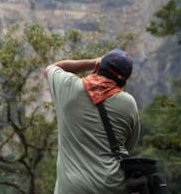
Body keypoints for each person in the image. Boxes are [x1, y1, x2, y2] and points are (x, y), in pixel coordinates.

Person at [44, 48, 140, 194]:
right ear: (123, 81)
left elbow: (51, 68)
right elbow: (128, 145)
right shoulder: (128, 103)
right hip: (112, 186)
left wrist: (92, 62)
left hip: (73, 188)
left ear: (97, 67)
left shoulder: (68, 87)